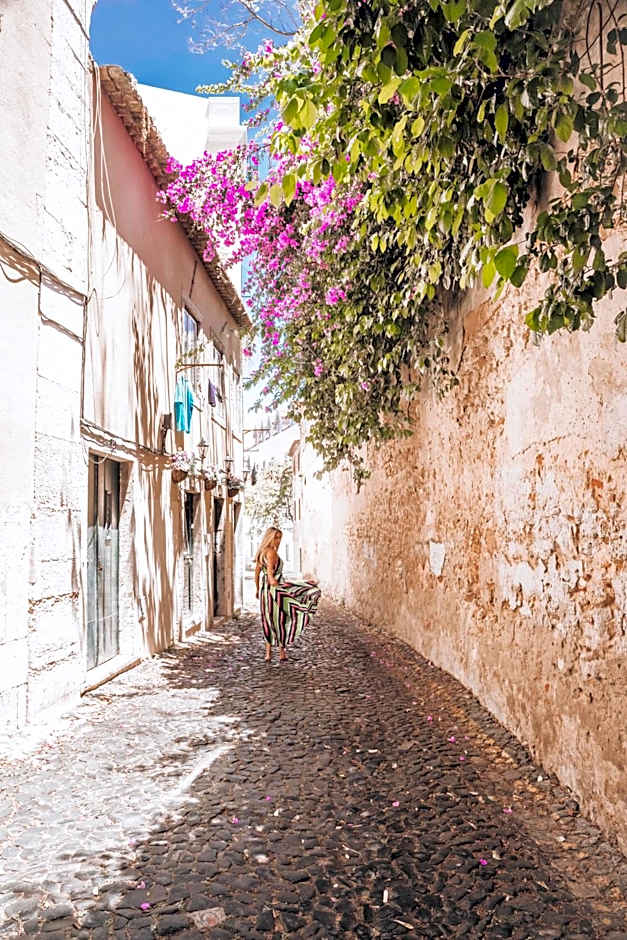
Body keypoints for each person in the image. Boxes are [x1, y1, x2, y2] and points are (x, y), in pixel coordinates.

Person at [254, 526, 321, 662]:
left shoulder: (261, 552)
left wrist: (257, 589)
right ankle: (281, 652)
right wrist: (274, 580)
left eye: (280, 538)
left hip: (264, 591)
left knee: (267, 619)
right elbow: (271, 574)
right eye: (276, 537)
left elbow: (257, 573)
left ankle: (268, 653)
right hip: (275, 590)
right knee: (280, 618)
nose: (278, 541)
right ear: (270, 538)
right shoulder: (271, 553)